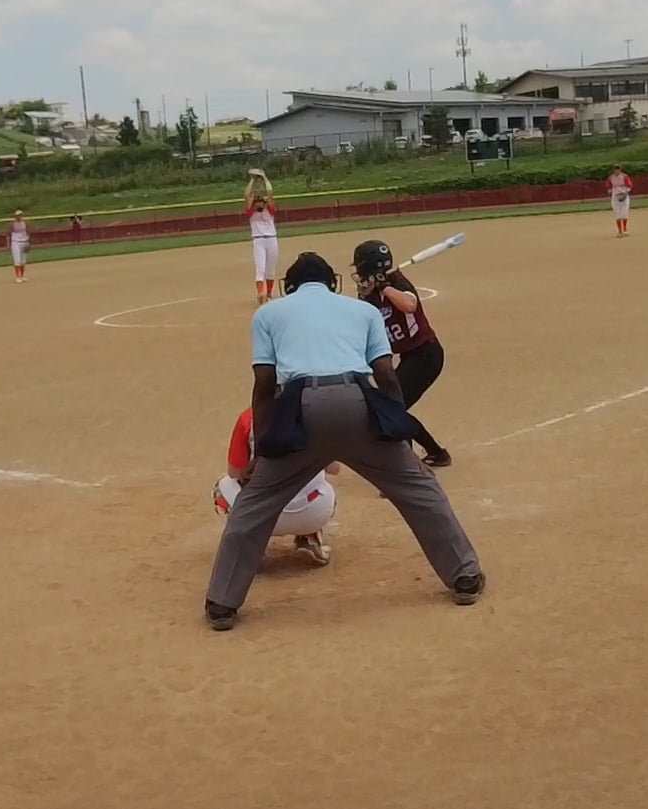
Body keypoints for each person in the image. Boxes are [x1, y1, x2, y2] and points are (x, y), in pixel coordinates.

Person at [205, 252, 485, 631]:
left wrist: (266, 448)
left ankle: (221, 602)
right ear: (332, 283)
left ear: (290, 286)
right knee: (419, 489)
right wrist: (398, 438)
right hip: (357, 403)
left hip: (299, 410)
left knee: (255, 504)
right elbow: (386, 376)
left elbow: (265, 385)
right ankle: (464, 576)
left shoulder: (268, 314)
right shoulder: (363, 310)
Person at [352, 240, 453, 468]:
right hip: (410, 357)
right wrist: (367, 295)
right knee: (390, 407)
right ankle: (435, 454)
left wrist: (384, 287)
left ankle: (413, 463)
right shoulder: (370, 293)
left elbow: (409, 305)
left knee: (393, 408)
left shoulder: (397, 281)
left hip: (426, 354)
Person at [213, 407, 339, 567]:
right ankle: (310, 536)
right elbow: (334, 468)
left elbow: (234, 472)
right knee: (324, 485)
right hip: (313, 512)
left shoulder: (249, 417)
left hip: (259, 516)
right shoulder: (313, 415)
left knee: (221, 487)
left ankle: (251, 546)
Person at [245, 170, 278, 305]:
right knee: (260, 269)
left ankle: (269, 294)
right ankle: (261, 294)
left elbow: (270, 193)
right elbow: (247, 195)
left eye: (262, 202)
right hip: (258, 240)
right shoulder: (251, 213)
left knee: (270, 270)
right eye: (257, 202)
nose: (260, 204)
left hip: (272, 239)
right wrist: (252, 180)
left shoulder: (269, 211)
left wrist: (265, 178)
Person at [607, 163, 634, 237]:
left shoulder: (624, 176)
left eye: (618, 168)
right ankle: (619, 231)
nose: (617, 170)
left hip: (624, 196)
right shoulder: (611, 178)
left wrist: (625, 193)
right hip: (615, 197)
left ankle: (625, 229)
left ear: (620, 169)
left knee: (624, 213)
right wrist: (610, 192)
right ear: (613, 170)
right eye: (615, 169)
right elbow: (609, 187)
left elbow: (630, 186)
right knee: (617, 214)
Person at [7, 210, 30, 283]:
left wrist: (28, 241)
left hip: (24, 242)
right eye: (18, 215)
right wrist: (8, 244)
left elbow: (29, 231)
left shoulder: (25, 223)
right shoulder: (12, 224)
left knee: (23, 261)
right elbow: (8, 233)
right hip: (15, 242)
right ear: (15, 216)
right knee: (17, 260)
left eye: (20, 215)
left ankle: (22, 276)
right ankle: (17, 277)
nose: (19, 217)